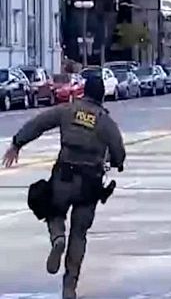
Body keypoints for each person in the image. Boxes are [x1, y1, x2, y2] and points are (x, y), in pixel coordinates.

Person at [2, 75, 126, 299]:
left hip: (64, 176)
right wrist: (117, 162)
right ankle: (69, 287)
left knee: (52, 209)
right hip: (90, 183)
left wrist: (17, 143)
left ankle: (57, 237)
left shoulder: (67, 110)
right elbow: (118, 151)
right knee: (79, 234)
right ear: (102, 96)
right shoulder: (105, 121)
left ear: (84, 91)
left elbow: (38, 124)